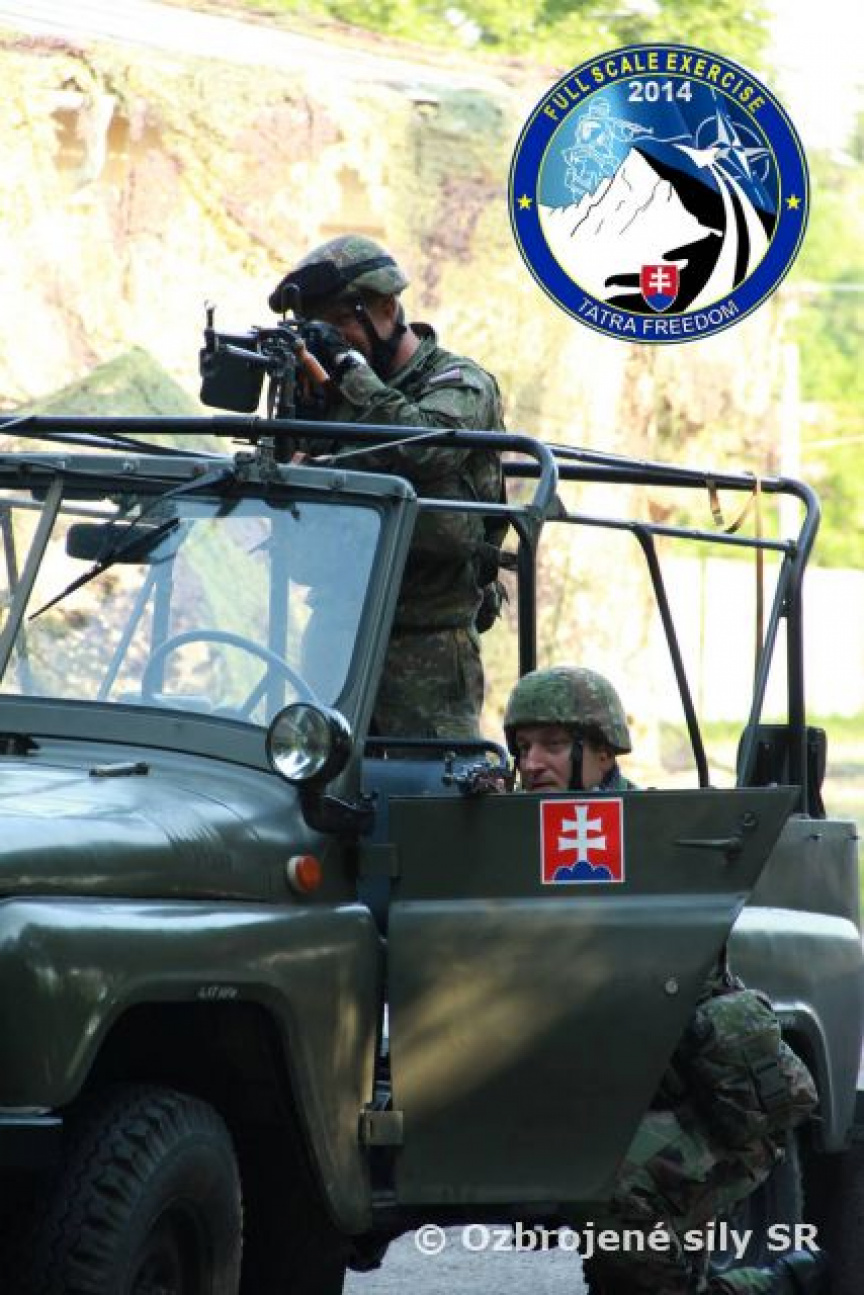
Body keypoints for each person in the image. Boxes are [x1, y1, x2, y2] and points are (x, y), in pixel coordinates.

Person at [502, 666, 824, 1295]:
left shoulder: (655, 838)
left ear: (602, 751)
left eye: (552, 745)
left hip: (703, 1110)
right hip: (616, 1107)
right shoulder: (512, 832)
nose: (532, 762)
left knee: (617, 1213)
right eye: (522, 747)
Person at [268, 234, 507, 739]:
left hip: (427, 639)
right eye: (316, 329)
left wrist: (349, 370)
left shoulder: (460, 382)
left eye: (339, 323)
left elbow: (427, 447)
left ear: (386, 308)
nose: (330, 341)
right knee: (312, 771)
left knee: (425, 781)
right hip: (335, 630)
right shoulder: (328, 397)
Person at [502, 664, 635, 792]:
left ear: (604, 756)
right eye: (524, 748)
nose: (531, 766)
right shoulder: (507, 807)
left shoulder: (641, 807)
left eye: (553, 743)